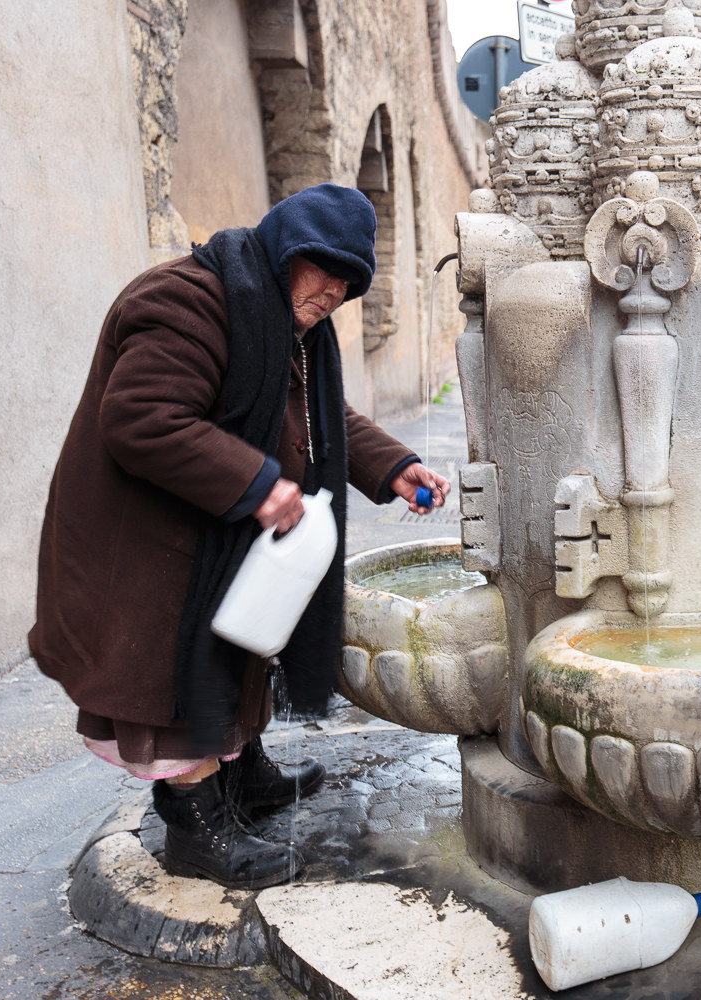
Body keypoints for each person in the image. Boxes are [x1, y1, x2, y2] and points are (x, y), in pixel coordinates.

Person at [29, 184, 451, 890]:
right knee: (172, 679)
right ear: (290, 251)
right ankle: (197, 825)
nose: (335, 294)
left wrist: (395, 468)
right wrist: (257, 485)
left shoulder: (280, 318)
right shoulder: (188, 302)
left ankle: (243, 775)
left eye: (350, 281)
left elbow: (322, 415)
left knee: (238, 652)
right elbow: (142, 417)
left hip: (214, 539)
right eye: (327, 271)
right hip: (148, 547)